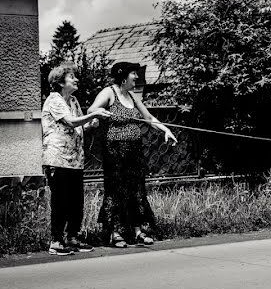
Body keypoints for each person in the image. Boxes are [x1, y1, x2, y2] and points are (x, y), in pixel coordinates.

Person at [88, 61, 177, 247]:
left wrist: (166, 130)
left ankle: (137, 232)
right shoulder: (109, 93)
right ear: (123, 76)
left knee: (136, 189)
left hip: (134, 149)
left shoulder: (133, 96)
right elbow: (91, 110)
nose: (136, 77)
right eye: (133, 74)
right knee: (116, 190)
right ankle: (115, 233)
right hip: (115, 150)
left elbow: (149, 118)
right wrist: (101, 113)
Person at [41, 63, 111, 255]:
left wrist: (91, 124)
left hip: (75, 160)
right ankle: (56, 242)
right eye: (72, 77)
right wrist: (94, 113)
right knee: (61, 201)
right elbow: (70, 122)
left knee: (75, 202)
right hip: (58, 158)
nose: (76, 79)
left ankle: (73, 237)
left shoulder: (73, 101)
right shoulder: (54, 100)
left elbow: (79, 126)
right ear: (60, 81)